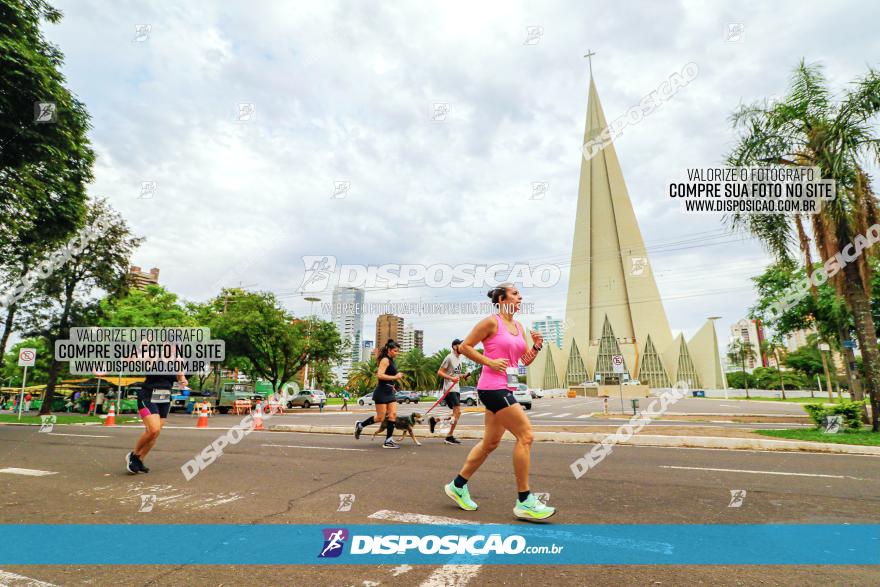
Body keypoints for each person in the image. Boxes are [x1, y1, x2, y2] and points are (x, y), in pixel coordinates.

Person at [444, 283, 556, 520]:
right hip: (492, 387)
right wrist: (489, 362)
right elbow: (464, 347)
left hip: (507, 387)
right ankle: (525, 501)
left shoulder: (518, 326)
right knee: (526, 436)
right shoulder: (491, 322)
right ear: (502, 299)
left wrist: (536, 346)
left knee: (490, 443)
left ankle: (457, 485)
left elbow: (523, 360)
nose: (520, 296)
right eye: (515, 293)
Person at [126, 369, 187, 474]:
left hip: (164, 399)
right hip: (147, 397)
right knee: (153, 429)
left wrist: (183, 382)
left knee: (155, 433)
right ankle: (134, 455)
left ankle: (140, 460)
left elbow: (181, 378)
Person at [354, 339, 404, 448]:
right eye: (395, 351)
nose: (397, 353)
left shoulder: (391, 360)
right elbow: (380, 375)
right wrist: (395, 377)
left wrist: (392, 385)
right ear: (389, 350)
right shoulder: (385, 360)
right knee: (381, 418)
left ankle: (388, 441)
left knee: (393, 415)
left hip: (389, 391)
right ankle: (360, 425)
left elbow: (386, 375)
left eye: (398, 351)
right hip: (381, 392)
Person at [429, 338, 469, 445]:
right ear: (455, 346)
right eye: (461, 345)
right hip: (449, 389)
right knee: (458, 412)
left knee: (456, 413)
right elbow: (440, 372)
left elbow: (454, 374)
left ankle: (435, 420)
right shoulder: (449, 358)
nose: (463, 347)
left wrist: (463, 376)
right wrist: (451, 379)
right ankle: (449, 436)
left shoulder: (459, 359)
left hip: (456, 388)